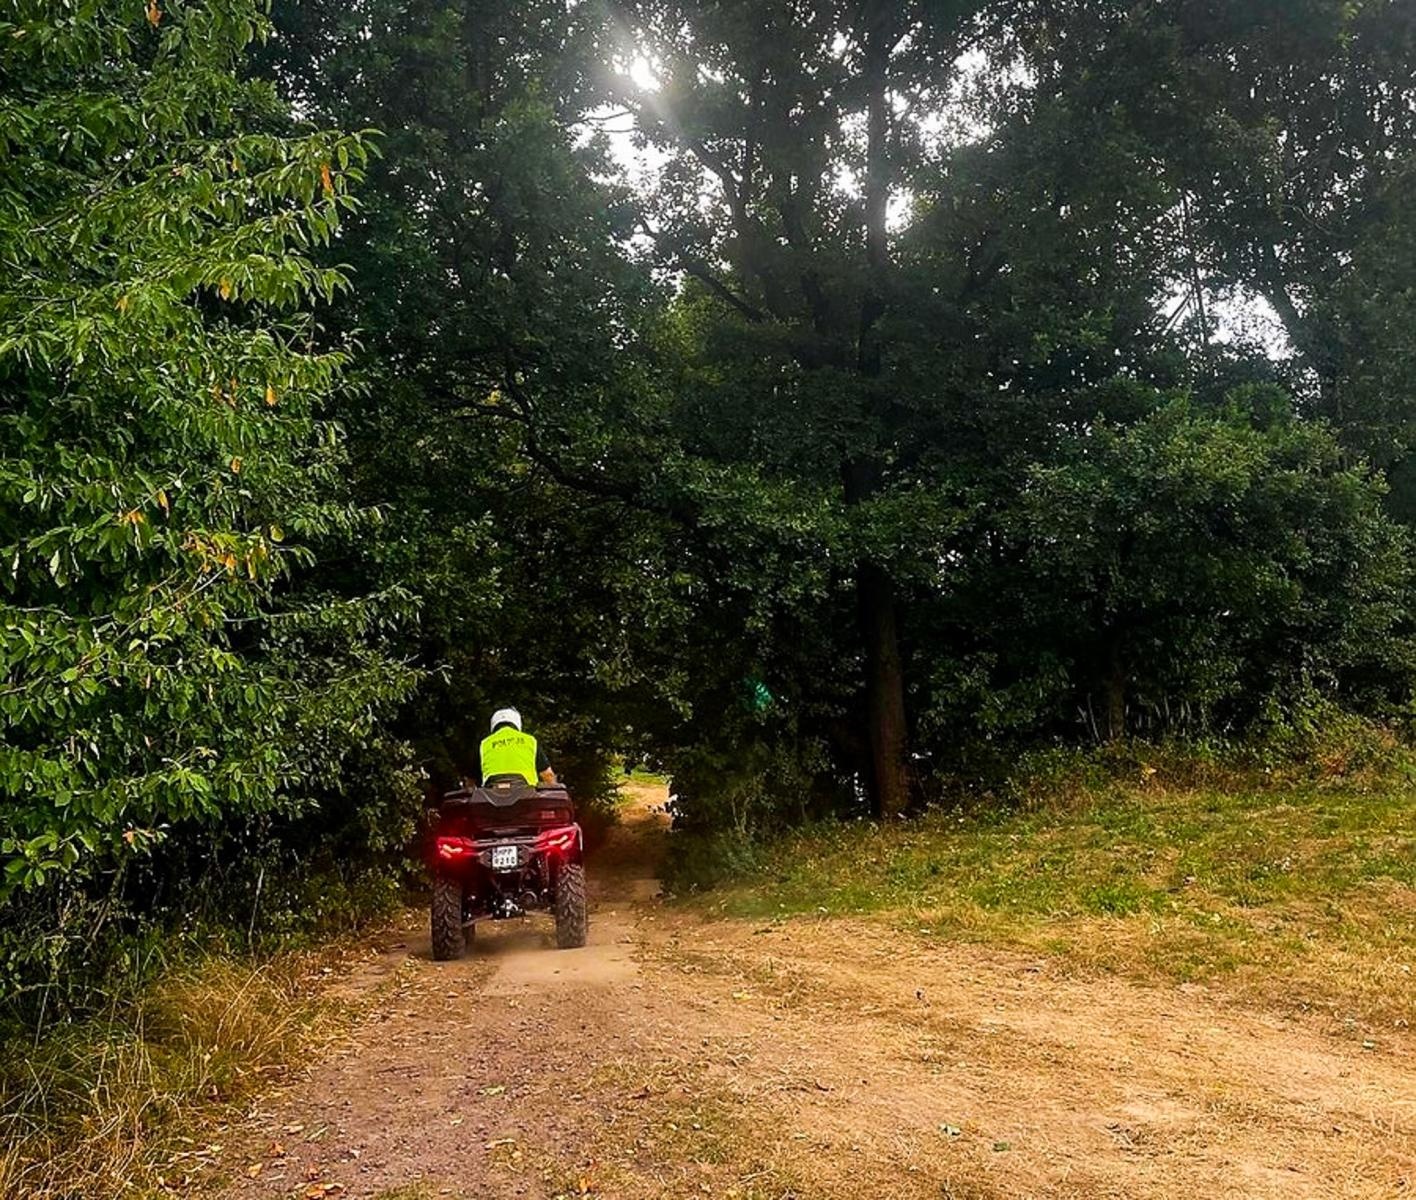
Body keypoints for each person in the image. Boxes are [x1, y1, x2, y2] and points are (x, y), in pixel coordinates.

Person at [478, 707, 557, 786]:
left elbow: (472, 781)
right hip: (526, 792)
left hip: (491, 792)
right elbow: (548, 775)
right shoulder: (530, 741)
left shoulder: (484, 744)